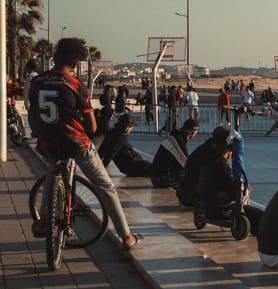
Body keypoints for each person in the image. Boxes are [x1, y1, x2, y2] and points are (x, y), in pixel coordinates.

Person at [29, 38, 139, 251]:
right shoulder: (75, 85)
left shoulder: (38, 82)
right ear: (77, 61)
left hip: (47, 142)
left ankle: (44, 220)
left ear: (55, 56)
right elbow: (91, 125)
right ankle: (126, 236)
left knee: (53, 173)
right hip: (75, 142)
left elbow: (34, 115)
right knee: (105, 185)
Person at [178, 125, 231, 206]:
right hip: (193, 195)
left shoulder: (206, 147)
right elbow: (227, 179)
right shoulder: (216, 156)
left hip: (186, 191)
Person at [98, 113, 152, 177]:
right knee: (159, 170)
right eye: (131, 126)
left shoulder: (112, 133)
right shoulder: (121, 136)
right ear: (128, 126)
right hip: (134, 167)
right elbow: (111, 153)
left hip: (133, 165)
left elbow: (102, 149)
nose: (131, 129)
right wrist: (102, 170)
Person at [152, 118, 199, 188]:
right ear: (194, 130)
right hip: (161, 179)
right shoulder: (178, 141)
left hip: (159, 177)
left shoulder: (176, 137)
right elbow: (186, 163)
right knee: (194, 181)